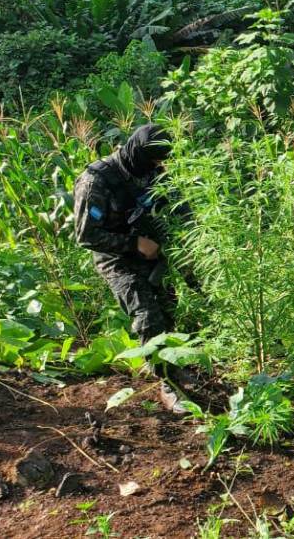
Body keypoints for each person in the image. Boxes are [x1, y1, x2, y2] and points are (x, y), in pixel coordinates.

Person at [72, 124, 189, 411]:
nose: (158, 167)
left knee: (169, 311)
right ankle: (167, 386)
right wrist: (134, 243)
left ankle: (171, 368)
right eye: (154, 161)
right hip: (116, 254)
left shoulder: (152, 170)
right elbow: (86, 236)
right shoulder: (96, 181)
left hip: (151, 248)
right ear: (138, 154)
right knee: (148, 316)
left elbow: (178, 206)